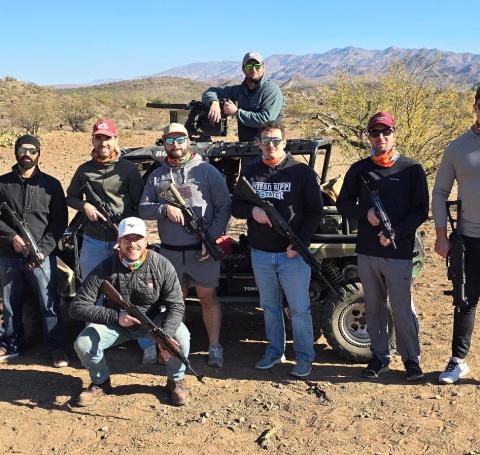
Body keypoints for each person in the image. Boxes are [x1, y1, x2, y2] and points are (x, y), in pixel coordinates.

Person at [337, 112, 429, 381]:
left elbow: (421, 210)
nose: (381, 138)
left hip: (399, 252)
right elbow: (343, 204)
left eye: (386, 132)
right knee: (374, 307)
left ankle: (411, 360)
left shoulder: (412, 169)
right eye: (375, 133)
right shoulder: (359, 169)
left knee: (402, 309)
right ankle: (379, 357)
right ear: (369, 136)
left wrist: (395, 233)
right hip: (367, 251)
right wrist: (365, 214)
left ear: (394, 133)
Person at [231, 121, 323, 377]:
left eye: (275, 140)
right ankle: (275, 351)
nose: (270, 145)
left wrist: (300, 242)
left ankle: (304, 357)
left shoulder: (301, 172)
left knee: (299, 309)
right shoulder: (250, 172)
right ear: (259, 143)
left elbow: (315, 211)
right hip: (260, 253)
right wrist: (253, 211)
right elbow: (236, 207)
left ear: (284, 142)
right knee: (270, 307)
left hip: (292, 254)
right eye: (266, 141)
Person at [71, 217, 191, 406]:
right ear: (118, 242)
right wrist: (115, 316)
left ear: (146, 241)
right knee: (84, 344)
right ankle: (101, 382)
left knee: (181, 339)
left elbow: (176, 304)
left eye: (138, 239)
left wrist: (165, 337)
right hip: (117, 323)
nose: (132, 244)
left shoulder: (162, 265)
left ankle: (175, 380)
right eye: (127, 239)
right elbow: (77, 307)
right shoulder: (105, 267)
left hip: (154, 321)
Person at [139, 123, 231, 368]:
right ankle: (173, 347)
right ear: (164, 143)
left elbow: (224, 208)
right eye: (169, 140)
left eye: (180, 139)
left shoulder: (207, 171)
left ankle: (214, 347)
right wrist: (164, 209)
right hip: (170, 251)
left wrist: (209, 238)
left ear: (188, 140)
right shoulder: (156, 176)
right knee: (174, 301)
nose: (175, 145)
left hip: (202, 250)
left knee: (207, 297)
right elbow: (143, 208)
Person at [65, 120, 154, 363]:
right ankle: (91, 346)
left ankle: (147, 343)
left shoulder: (128, 169)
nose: (103, 143)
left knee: (133, 294)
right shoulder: (84, 170)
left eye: (107, 138)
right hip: (93, 241)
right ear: (92, 140)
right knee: (90, 294)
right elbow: (71, 196)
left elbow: (138, 205)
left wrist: (128, 238)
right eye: (98, 138)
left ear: (115, 140)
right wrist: (85, 206)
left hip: (124, 242)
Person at [0, 134, 68, 367]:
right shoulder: (2, 183)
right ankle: (10, 344)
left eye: (32, 150)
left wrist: (42, 250)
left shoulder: (51, 185)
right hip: (9, 255)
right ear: (15, 152)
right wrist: (11, 238)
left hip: (42, 256)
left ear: (39, 154)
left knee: (49, 303)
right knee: (10, 303)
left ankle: (56, 348)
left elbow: (59, 222)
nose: (27, 154)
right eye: (22, 149)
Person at [432, 86, 480, 384]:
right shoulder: (458, 147)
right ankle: (457, 361)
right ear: (475, 106)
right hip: (469, 239)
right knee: (465, 301)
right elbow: (439, 192)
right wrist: (441, 235)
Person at [202, 51, 285, 142]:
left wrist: (237, 113)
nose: (253, 69)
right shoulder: (239, 90)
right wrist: (214, 102)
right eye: (249, 66)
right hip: (246, 147)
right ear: (243, 69)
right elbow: (210, 92)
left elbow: (266, 120)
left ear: (263, 67)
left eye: (257, 66)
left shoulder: (271, 90)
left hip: (268, 147)